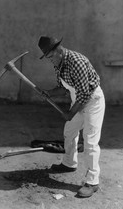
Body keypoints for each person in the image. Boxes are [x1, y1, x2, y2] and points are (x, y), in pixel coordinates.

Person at [38, 36, 105, 198]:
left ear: (58, 50)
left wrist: (70, 113)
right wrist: (49, 92)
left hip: (92, 101)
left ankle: (92, 181)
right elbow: (64, 88)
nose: (50, 60)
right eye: (47, 57)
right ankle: (69, 163)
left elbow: (84, 94)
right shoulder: (59, 64)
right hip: (78, 100)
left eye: (50, 56)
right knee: (70, 131)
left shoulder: (77, 62)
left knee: (90, 141)